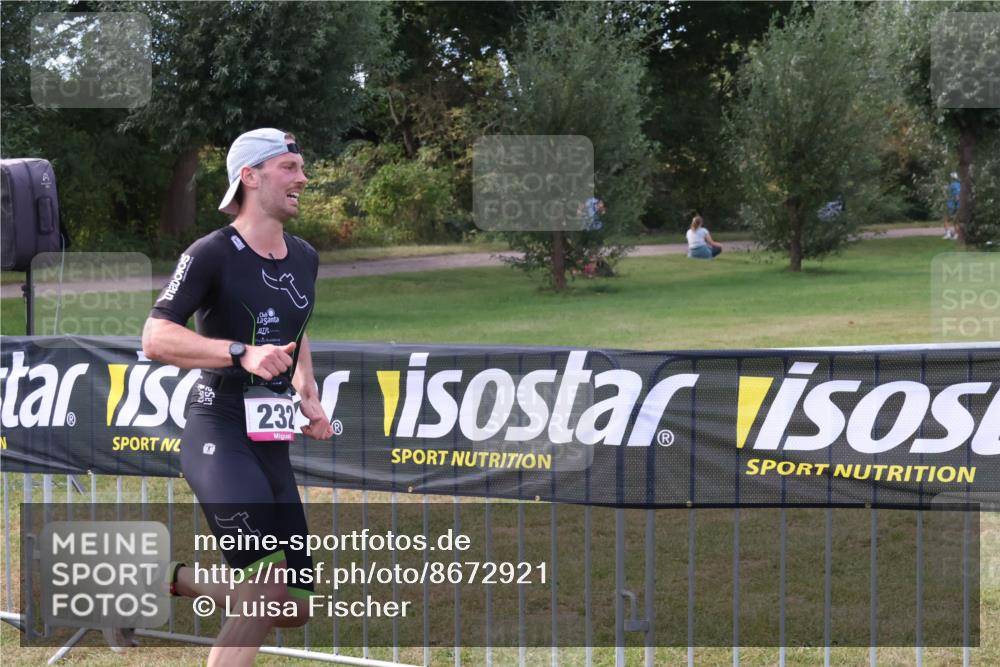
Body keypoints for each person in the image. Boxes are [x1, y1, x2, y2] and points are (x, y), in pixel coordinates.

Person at [138, 128, 333, 666]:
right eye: (290, 167)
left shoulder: (306, 257)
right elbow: (155, 338)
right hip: (218, 429)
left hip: (270, 439)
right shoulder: (210, 253)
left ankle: (170, 580)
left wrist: (305, 387)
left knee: (292, 607)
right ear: (250, 176)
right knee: (266, 590)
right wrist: (239, 351)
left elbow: (298, 326)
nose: (303, 177)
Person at [944, 173, 960, 240]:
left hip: (952, 204)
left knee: (946, 219)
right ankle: (956, 234)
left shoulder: (953, 185)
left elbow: (957, 196)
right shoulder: (959, 185)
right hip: (958, 205)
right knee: (956, 220)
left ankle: (948, 234)